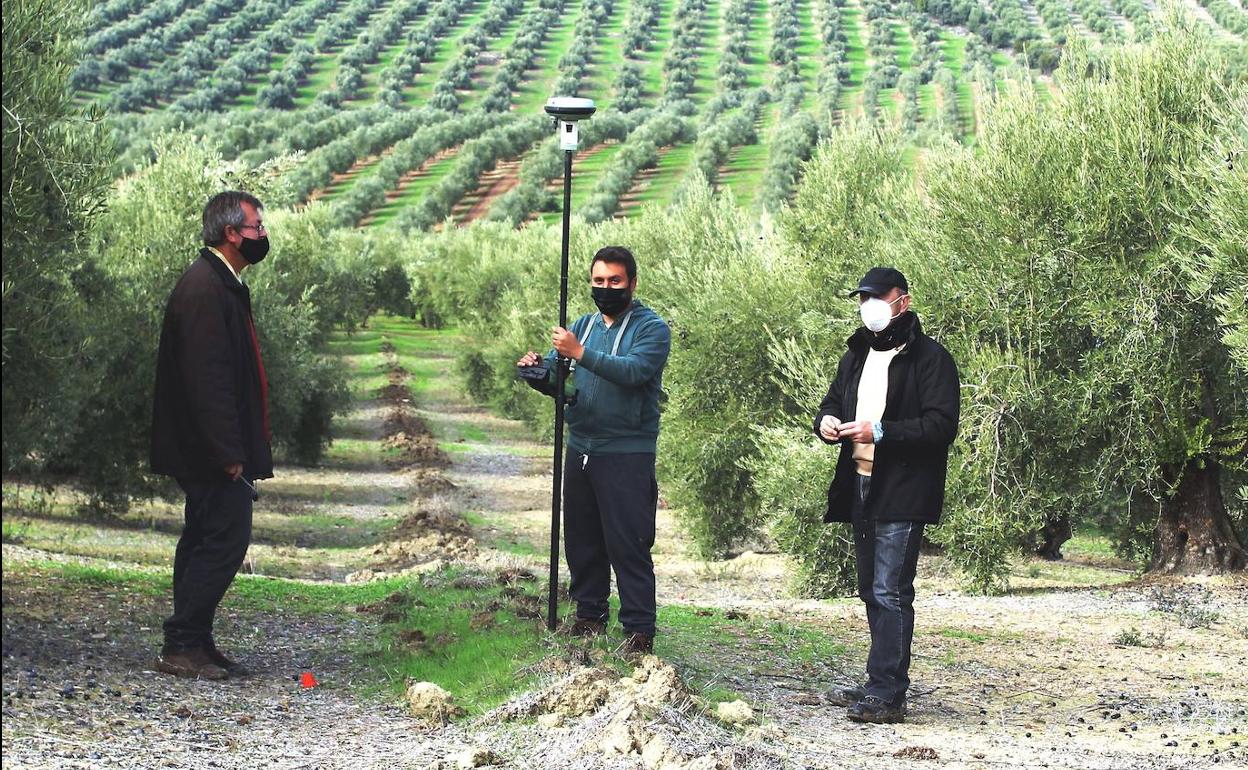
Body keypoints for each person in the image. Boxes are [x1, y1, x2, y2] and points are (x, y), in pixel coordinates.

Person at [814, 267, 960, 723]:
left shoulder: (932, 359)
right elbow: (834, 400)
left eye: (878, 297)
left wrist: (880, 431)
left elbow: (941, 426)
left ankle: (888, 694)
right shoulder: (856, 353)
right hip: (859, 482)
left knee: (890, 590)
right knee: (870, 589)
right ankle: (879, 680)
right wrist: (826, 422)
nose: (869, 306)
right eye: (863, 298)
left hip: (904, 488)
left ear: (904, 301)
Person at [517, 246, 671, 655]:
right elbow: (563, 383)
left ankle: (639, 631)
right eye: (599, 281)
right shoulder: (582, 326)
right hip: (580, 446)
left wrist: (578, 353)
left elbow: (634, 372)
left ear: (632, 283)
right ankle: (589, 615)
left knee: (628, 541)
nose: (606, 288)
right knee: (582, 539)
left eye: (615, 281)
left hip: (626, 451)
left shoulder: (651, 329)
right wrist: (539, 374)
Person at [150, 191, 274, 680]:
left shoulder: (221, 283)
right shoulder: (205, 288)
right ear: (231, 233)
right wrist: (228, 452)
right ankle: (181, 643)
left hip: (207, 448)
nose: (263, 235)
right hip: (208, 451)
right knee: (225, 539)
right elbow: (208, 381)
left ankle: (195, 643)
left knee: (203, 539)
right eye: (257, 227)